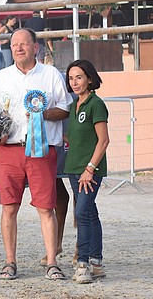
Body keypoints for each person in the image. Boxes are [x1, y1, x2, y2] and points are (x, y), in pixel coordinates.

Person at [0, 28, 71, 280]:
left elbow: (65, 108)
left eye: (24, 44)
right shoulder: (1, 77)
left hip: (41, 150)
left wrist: (42, 114)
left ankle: (52, 261)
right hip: (9, 150)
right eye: (14, 45)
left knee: (46, 208)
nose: (19, 48)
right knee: (9, 207)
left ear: (36, 47)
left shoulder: (51, 74)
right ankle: (10, 262)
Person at [64, 59, 110, 283]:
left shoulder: (95, 104)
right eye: (71, 78)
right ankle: (97, 262)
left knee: (81, 212)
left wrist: (90, 169)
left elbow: (103, 140)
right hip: (73, 168)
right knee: (89, 211)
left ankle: (82, 264)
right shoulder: (74, 105)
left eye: (79, 77)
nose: (74, 82)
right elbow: (74, 136)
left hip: (89, 171)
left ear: (90, 79)